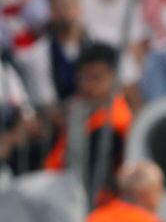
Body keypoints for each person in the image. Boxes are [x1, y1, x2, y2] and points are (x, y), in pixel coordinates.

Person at [44, 43, 133, 202]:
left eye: (97, 78)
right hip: (60, 197)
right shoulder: (83, 112)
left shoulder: (115, 123)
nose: (88, 86)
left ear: (115, 79)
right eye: (82, 78)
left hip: (96, 207)